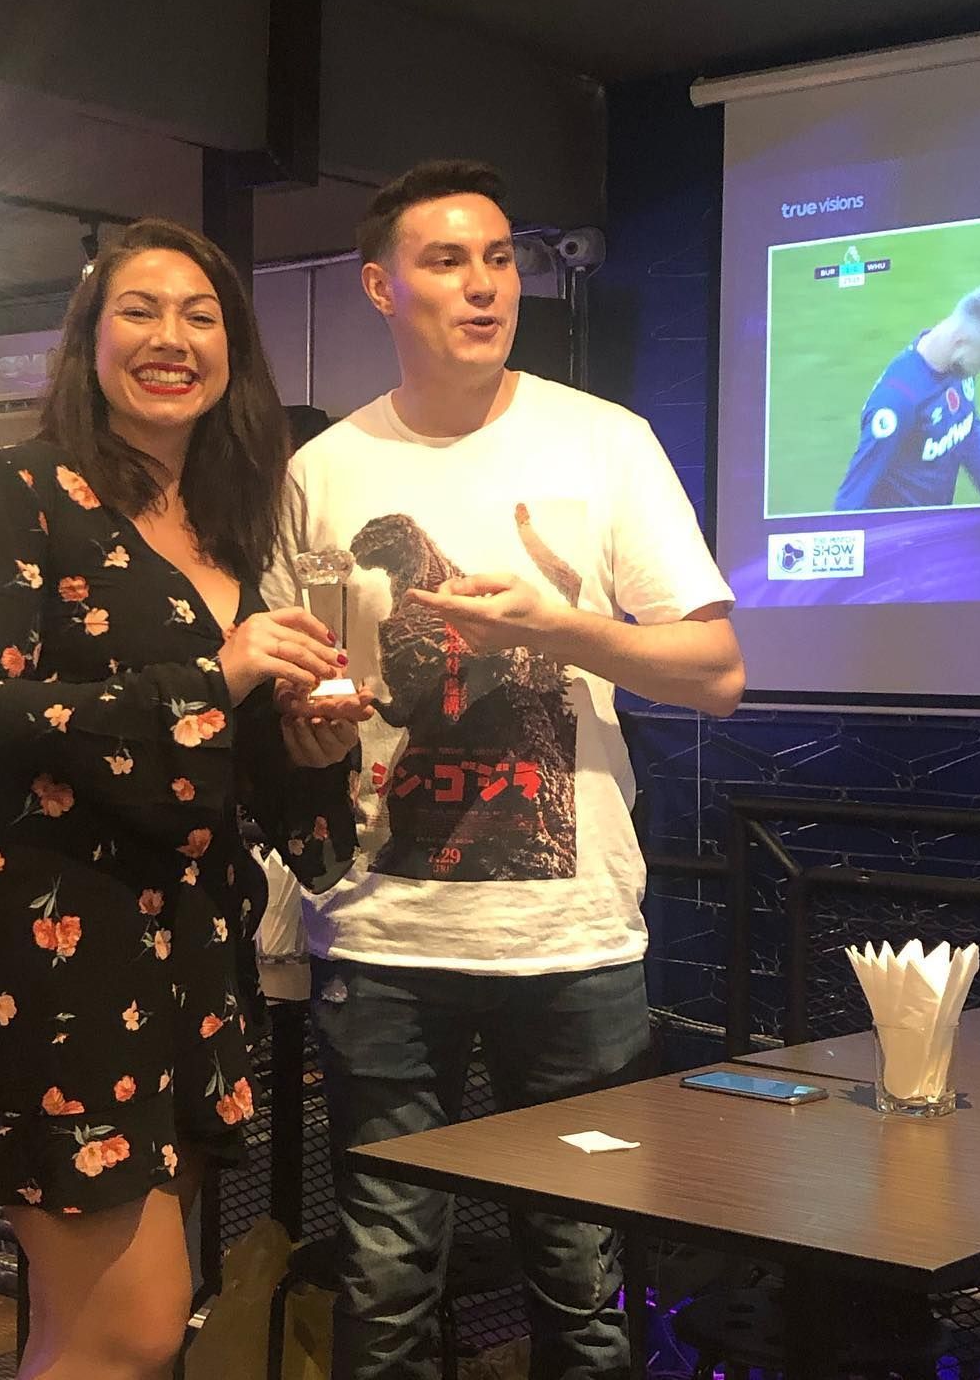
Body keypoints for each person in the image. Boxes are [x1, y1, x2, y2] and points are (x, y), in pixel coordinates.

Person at [263, 160, 744, 1380]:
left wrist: (557, 628)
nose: (485, 285)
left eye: (500, 258)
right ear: (381, 286)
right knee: (383, 1288)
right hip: (383, 932)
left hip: (571, 940)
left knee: (585, 1288)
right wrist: (306, 728)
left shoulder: (606, 443)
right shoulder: (324, 469)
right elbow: (302, 691)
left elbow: (716, 671)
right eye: (446, 260)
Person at [0, 218, 370, 1380]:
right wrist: (218, 674)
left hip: (193, 951)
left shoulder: (228, 529)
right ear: (91, 339)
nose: (172, 337)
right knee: (136, 1328)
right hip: (59, 941)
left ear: (233, 352)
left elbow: (252, 778)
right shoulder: (12, 488)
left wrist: (307, 749)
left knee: (88, 1331)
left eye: (201, 316)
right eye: (141, 311)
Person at [833, 283, 980, 511]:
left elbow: (968, 429)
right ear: (960, 342)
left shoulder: (960, 368)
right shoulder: (896, 402)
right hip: (901, 532)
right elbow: (851, 499)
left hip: (935, 525)